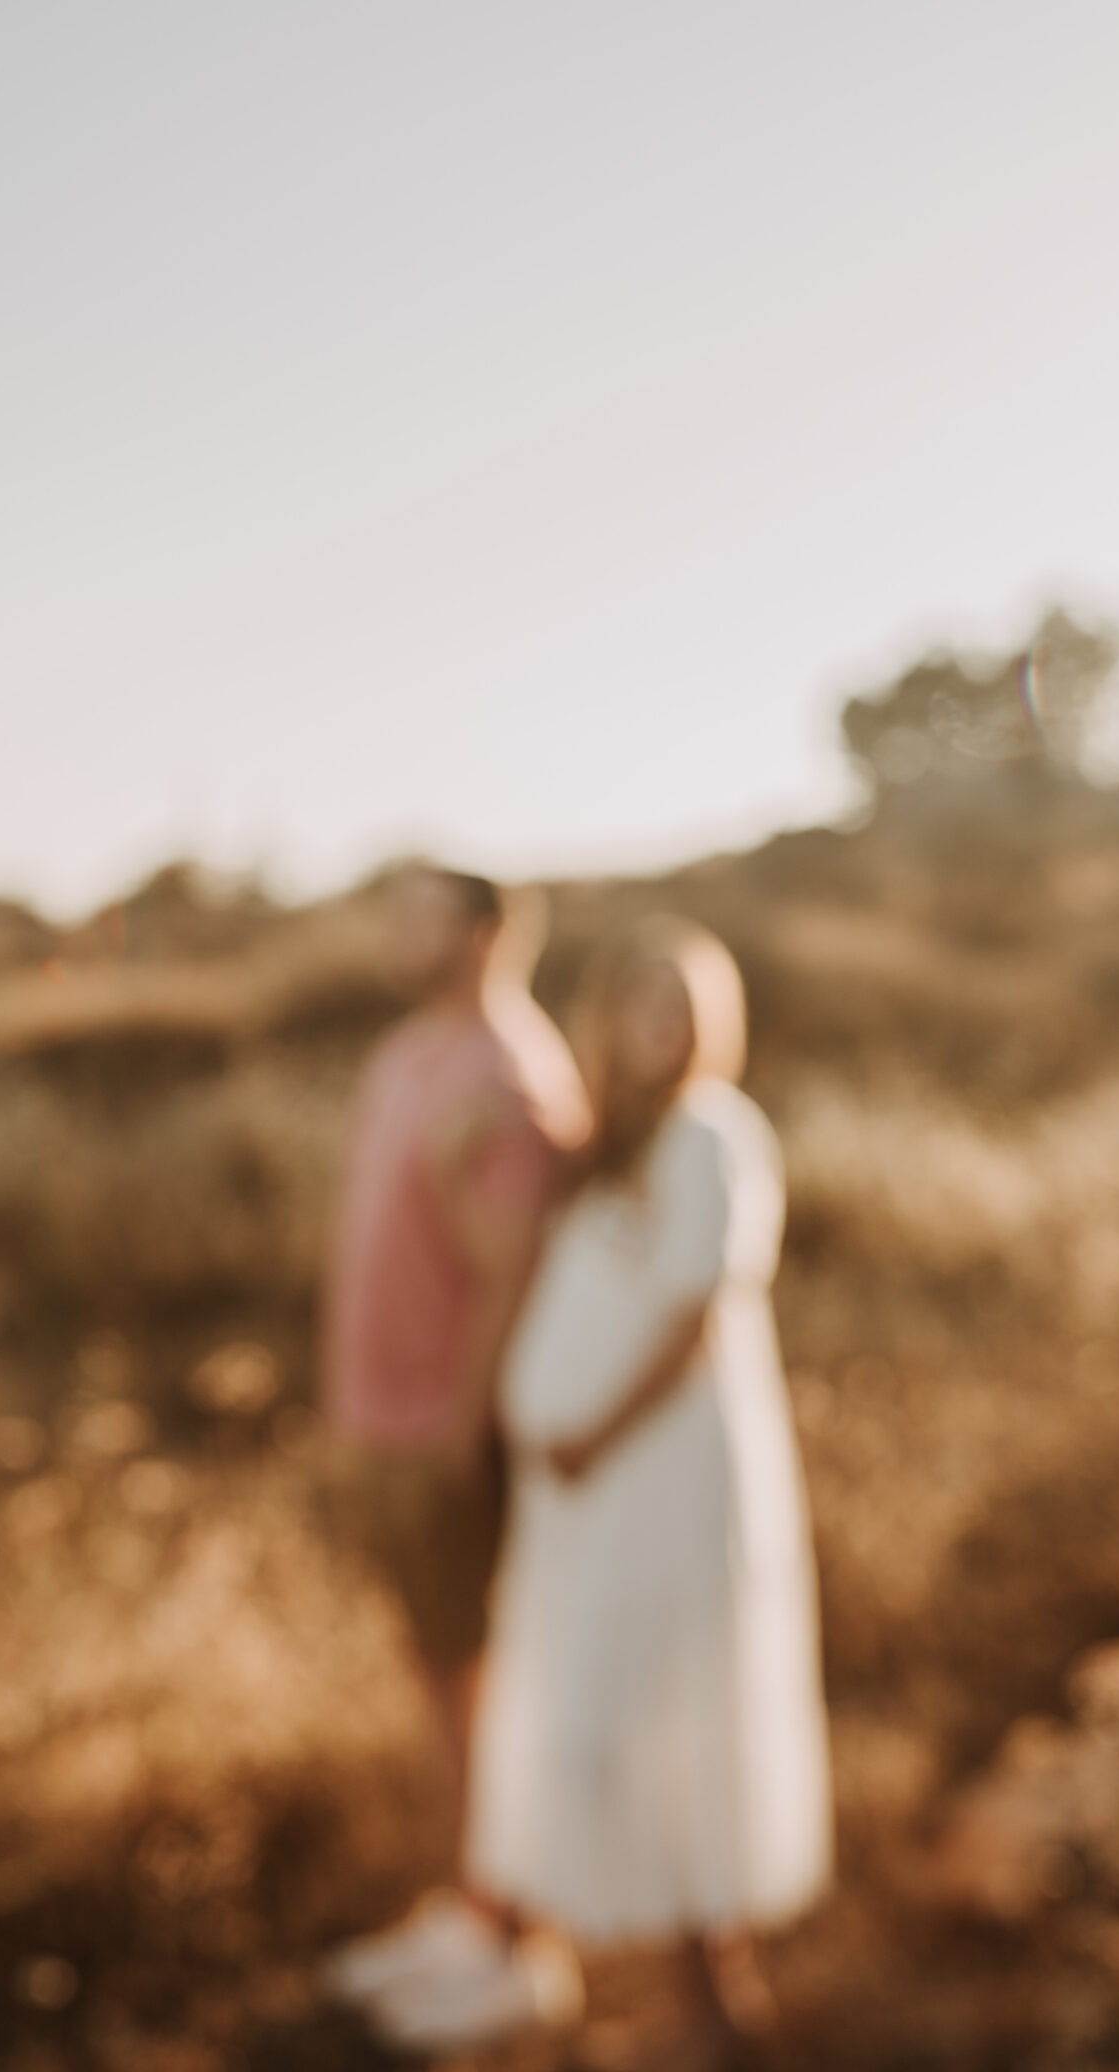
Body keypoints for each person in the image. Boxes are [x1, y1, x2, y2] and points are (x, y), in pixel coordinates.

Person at [388, 915, 833, 2066]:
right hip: (582, 1495)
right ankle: (605, 1970)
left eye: (679, 1010)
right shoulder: (610, 1147)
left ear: (709, 1025)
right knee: (597, 1711)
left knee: (678, 1701)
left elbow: (697, 1315)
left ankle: (715, 2004)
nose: (657, 1029)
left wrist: (591, 1432)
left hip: (659, 1479)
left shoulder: (713, 1136)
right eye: (641, 1004)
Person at [318, 861, 591, 2033]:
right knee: (439, 1687)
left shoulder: (513, 1071)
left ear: (485, 933)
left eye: (421, 916)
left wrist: (462, 1427)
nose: (398, 933)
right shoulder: (405, 1055)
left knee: (486, 1687)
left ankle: (521, 1947)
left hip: (445, 1430)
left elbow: (516, 1269)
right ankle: (467, 1911)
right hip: (376, 1416)